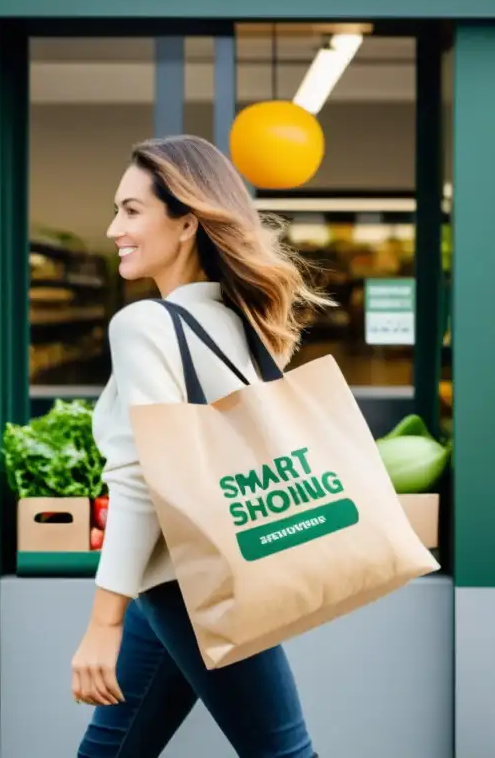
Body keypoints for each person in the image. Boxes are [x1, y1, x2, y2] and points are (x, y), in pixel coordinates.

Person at [72, 135, 331, 758]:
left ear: (186, 221)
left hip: (196, 585)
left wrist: (102, 626)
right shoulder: (244, 320)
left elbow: (139, 480)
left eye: (132, 211)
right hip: (192, 579)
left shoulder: (143, 324)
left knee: (284, 755)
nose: (114, 229)